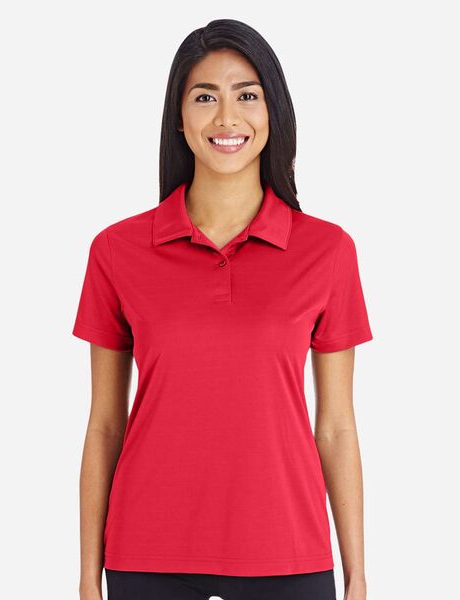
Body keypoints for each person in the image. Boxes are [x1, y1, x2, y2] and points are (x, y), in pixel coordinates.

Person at [73, 18, 373, 600]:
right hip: (146, 551)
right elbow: (105, 423)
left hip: (288, 552)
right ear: (179, 118)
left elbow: (337, 425)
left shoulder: (328, 250)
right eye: (205, 97)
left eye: (247, 96)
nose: (227, 118)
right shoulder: (116, 250)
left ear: (273, 112)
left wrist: (357, 576)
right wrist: (88, 577)